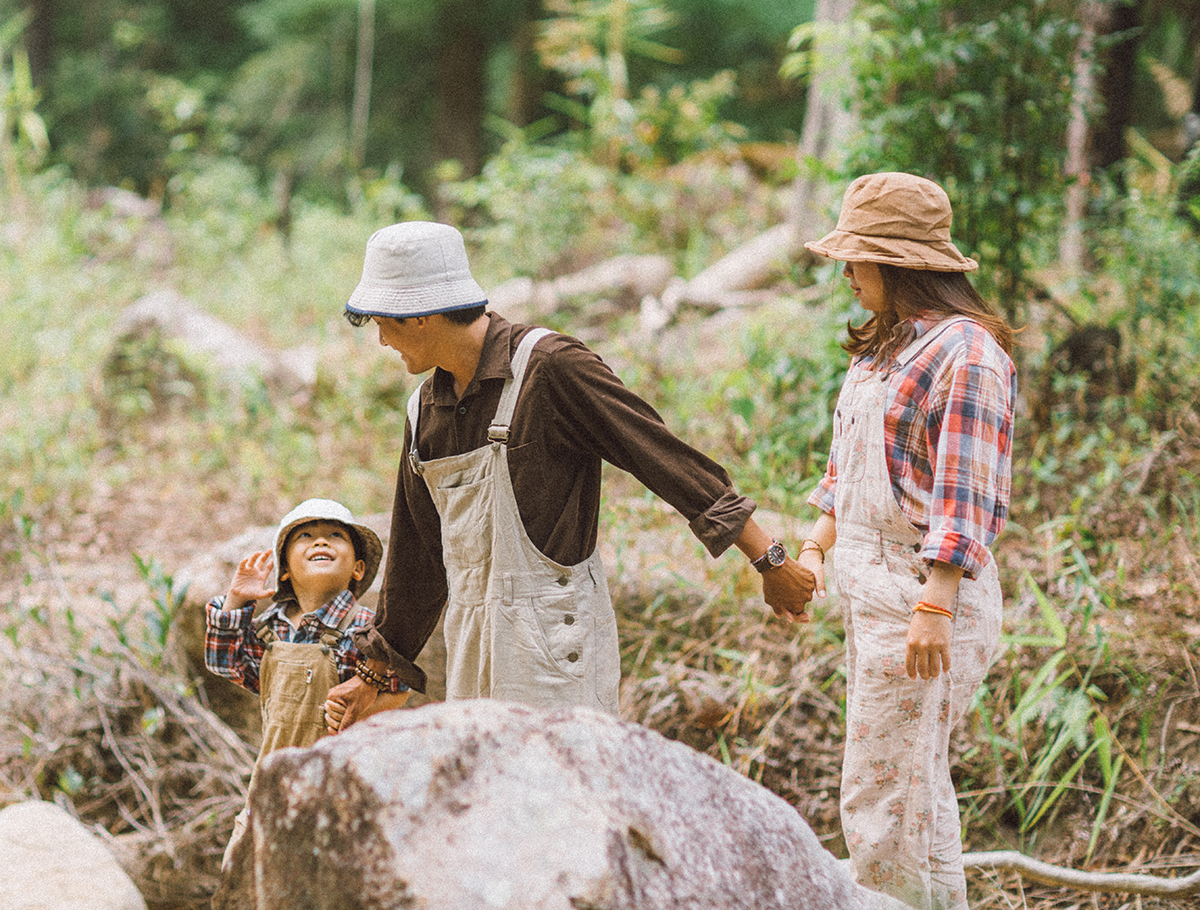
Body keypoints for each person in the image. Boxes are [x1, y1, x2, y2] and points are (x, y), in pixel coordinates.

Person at [327, 220, 818, 729]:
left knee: (567, 793)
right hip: (472, 645)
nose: (381, 340)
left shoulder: (549, 369)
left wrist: (768, 558)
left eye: (386, 322)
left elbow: (659, 455)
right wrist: (375, 677)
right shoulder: (424, 411)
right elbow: (418, 561)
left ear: (423, 314)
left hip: (554, 645)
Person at [796, 172, 1015, 910]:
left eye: (857, 261)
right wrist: (815, 550)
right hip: (876, 591)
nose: (848, 275)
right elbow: (845, 473)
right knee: (900, 789)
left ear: (898, 262)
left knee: (891, 804)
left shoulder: (967, 354)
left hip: (922, 595)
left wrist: (937, 603)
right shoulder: (882, 350)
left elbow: (965, 490)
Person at [205, 498, 409, 880]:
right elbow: (226, 664)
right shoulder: (271, 627)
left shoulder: (366, 628)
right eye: (306, 536)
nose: (321, 542)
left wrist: (363, 709)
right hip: (272, 789)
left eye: (335, 535)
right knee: (253, 882)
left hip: (339, 793)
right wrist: (235, 602)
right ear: (284, 572)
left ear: (358, 568)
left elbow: (398, 692)